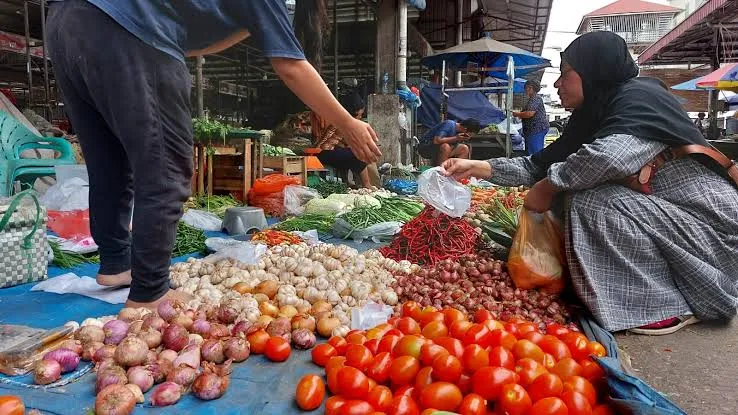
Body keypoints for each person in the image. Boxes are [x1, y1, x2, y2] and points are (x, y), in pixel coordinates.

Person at [46, 0, 381, 310]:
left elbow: (198, 43)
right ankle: (149, 294)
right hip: (127, 28)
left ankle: (117, 264)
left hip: (69, 21)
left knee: (110, 162)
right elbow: (291, 66)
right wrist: (347, 123)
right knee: (167, 172)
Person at [442, 31, 738, 335]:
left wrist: (548, 186)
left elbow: (609, 158)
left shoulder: (640, 98)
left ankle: (666, 305)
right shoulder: (593, 114)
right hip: (674, 221)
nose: (557, 84)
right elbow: (537, 164)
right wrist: (477, 166)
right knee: (575, 193)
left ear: (594, 70)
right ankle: (644, 292)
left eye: (565, 73)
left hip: (713, 231)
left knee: (592, 200)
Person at [311, 92, 371, 187]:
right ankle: (367, 186)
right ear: (356, 110)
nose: (360, 116)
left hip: (324, 152)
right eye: (360, 114)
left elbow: (342, 143)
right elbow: (352, 143)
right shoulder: (347, 123)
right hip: (324, 152)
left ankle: (346, 182)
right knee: (359, 155)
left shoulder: (342, 119)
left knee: (348, 153)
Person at [513, 80, 549, 155]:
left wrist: (517, 114)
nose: (525, 90)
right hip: (531, 130)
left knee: (535, 153)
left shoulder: (536, 99)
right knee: (530, 152)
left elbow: (529, 114)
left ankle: (537, 166)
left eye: (526, 88)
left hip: (537, 129)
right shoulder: (532, 99)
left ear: (531, 88)